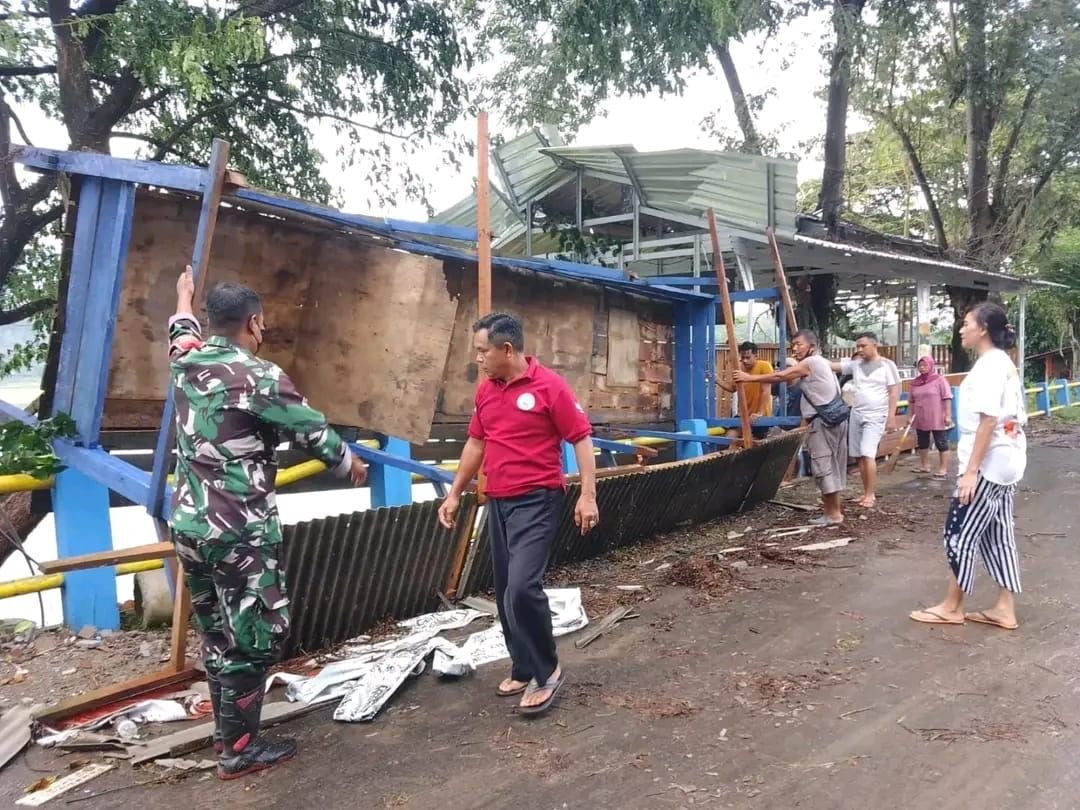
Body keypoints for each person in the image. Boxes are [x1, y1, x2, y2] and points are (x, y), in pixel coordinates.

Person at [168, 266, 368, 780]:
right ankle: (237, 751)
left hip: (190, 526)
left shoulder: (187, 364)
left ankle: (226, 736)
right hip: (238, 532)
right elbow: (313, 432)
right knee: (255, 636)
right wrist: (350, 464)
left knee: (216, 632)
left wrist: (182, 297)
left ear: (212, 322)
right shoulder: (259, 376)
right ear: (254, 323)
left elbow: (180, 331)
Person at [438, 312, 599, 717]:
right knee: (505, 588)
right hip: (498, 502)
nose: (477, 358)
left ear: (506, 349)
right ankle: (523, 663)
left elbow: (580, 438)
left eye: (482, 350)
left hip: (537, 500)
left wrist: (588, 496)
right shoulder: (487, 391)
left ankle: (547, 671)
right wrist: (455, 493)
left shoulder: (550, 387)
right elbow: (476, 444)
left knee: (523, 587)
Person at [910, 302, 1027, 630]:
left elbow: (989, 420)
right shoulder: (1003, 362)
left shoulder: (990, 365)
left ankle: (952, 606)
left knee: (959, 532)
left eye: (966, 323)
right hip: (1010, 457)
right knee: (998, 533)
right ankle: (1005, 608)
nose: (961, 329)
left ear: (983, 329)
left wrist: (971, 471)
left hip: (990, 462)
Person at [735, 329, 847, 525]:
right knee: (829, 466)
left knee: (823, 466)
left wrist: (748, 378)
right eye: (793, 345)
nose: (795, 348)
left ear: (812, 346)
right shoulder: (821, 363)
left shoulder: (812, 363)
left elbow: (781, 377)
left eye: (799, 344)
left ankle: (833, 514)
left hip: (823, 424)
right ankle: (832, 511)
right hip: (829, 421)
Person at [829, 332, 899, 509]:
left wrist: (891, 416)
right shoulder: (855, 365)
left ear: (875, 345)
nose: (859, 349)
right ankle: (865, 490)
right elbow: (833, 366)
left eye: (863, 346)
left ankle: (870, 494)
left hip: (876, 415)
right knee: (859, 455)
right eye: (857, 346)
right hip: (857, 413)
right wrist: (812, 359)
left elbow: (893, 391)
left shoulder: (887, 366)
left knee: (868, 453)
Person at [718, 341, 774, 441]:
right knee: (728, 439)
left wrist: (760, 412)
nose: (744, 361)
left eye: (748, 358)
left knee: (754, 443)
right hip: (742, 414)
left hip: (760, 416)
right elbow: (732, 388)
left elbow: (765, 391)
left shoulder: (764, 366)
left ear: (755, 356)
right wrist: (717, 380)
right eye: (742, 358)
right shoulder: (740, 369)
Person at [909, 355, 953, 477]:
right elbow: (911, 401)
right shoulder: (915, 383)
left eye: (925, 365)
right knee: (922, 442)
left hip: (937, 416)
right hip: (920, 417)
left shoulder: (939, 380)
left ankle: (943, 469)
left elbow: (947, 397)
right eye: (920, 366)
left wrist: (948, 415)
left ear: (931, 366)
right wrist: (910, 415)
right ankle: (924, 466)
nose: (922, 368)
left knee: (941, 442)